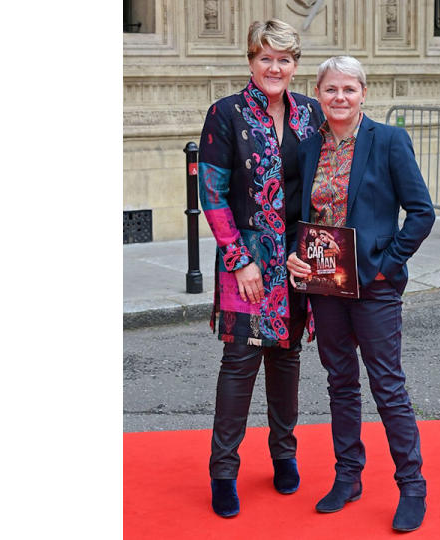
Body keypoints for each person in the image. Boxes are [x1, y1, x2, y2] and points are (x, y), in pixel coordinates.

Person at [287, 55, 436, 532]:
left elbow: (421, 213)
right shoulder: (309, 148)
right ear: (319, 93)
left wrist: (384, 269)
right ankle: (348, 476)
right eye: (331, 89)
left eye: (349, 89)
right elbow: (303, 215)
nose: (340, 98)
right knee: (340, 383)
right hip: (325, 284)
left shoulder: (388, 140)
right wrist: (296, 254)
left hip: (373, 288)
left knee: (387, 386)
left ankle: (411, 485)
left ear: (363, 94)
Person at [197, 19, 324, 519]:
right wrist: (240, 259)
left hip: (295, 260)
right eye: (266, 57)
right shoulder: (225, 114)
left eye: (285, 59)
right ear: (251, 60)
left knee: (287, 360)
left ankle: (284, 454)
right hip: (245, 263)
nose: (275, 67)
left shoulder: (309, 112)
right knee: (239, 365)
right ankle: (223, 471)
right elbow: (211, 193)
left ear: (296, 65)